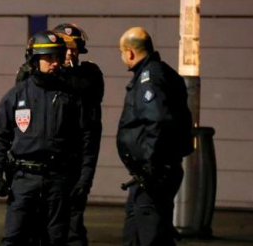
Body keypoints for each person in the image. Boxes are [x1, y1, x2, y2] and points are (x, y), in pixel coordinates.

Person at [0, 30, 96, 246]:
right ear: (35, 60)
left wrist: (84, 180)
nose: (54, 62)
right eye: (48, 57)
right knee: (14, 238)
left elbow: (87, 141)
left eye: (57, 57)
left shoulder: (72, 97)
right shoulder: (17, 95)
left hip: (58, 181)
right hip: (23, 181)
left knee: (56, 239)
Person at [117, 27, 194, 246]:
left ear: (130, 52)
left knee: (152, 236)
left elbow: (158, 121)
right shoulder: (162, 72)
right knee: (135, 232)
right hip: (150, 174)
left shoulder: (149, 78)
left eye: (122, 53)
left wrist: (150, 166)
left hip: (153, 174)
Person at [53, 23, 104, 246]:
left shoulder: (88, 75)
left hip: (75, 160)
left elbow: (83, 88)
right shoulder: (39, 76)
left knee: (72, 224)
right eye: (64, 48)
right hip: (49, 161)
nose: (68, 53)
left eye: (72, 49)